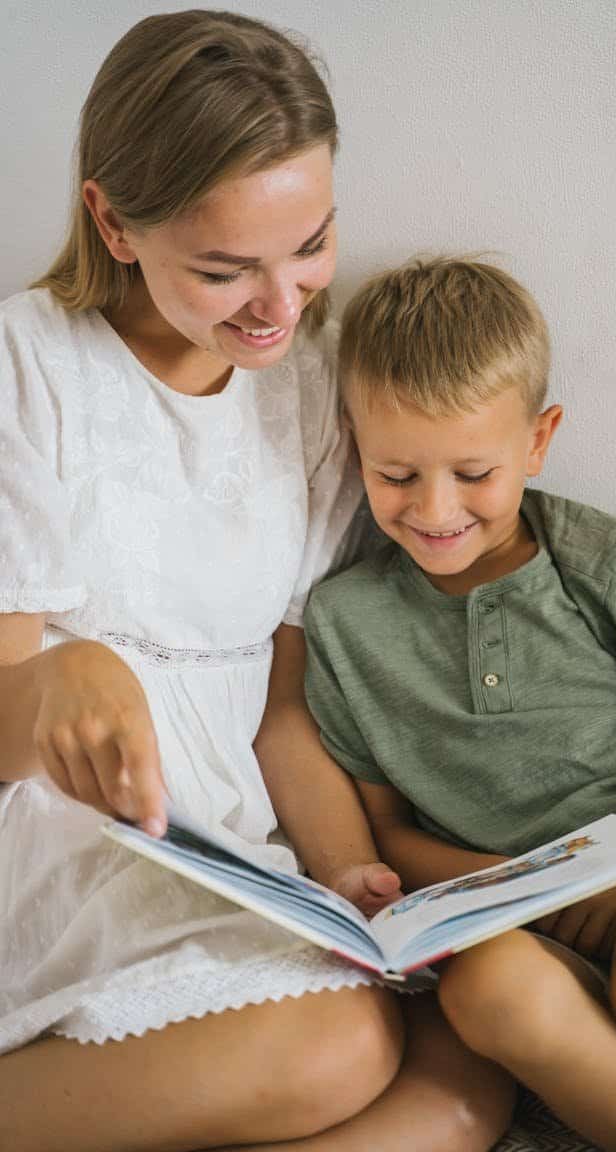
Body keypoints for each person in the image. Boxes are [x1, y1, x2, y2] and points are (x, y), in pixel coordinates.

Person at [0, 17, 514, 1152]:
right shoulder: (27, 366)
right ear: (113, 224)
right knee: (338, 1047)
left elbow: (280, 708)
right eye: (226, 270)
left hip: (237, 843)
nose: (280, 305)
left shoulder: (311, 386)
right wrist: (55, 687)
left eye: (312, 244)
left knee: (470, 1057)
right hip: (67, 851)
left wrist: (345, 874)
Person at [304, 255, 616, 1151]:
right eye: (397, 475)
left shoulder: (604, 562)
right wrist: (513, 890)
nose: (435, 509)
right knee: (488, 993)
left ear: (538, 441)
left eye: (473, 473)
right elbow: (384, 830)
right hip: (515, 914)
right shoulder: (346, 622)